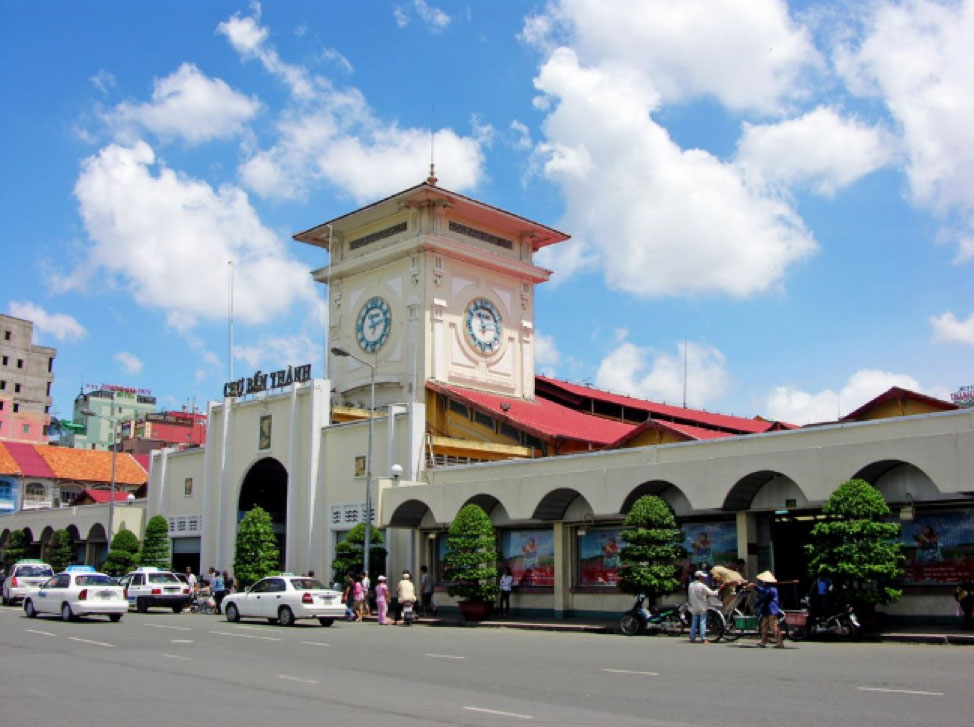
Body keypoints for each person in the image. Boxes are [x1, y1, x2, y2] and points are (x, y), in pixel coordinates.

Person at [751, 570, 785, 648]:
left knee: (774, 626)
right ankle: (763, 641)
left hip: (771, 610)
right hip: (767, 610)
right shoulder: (768, 588)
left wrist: (755, 605)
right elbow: (762, 591)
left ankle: (780, 643)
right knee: (764, 625)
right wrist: (755, 587)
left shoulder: (771, 589)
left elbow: (763, 598)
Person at [687, 570, 719, 644]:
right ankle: (703, 638)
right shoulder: (701, 586)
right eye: (703, 577)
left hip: (694, 605)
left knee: (694, 621)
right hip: (702, 606)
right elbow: (711, 593)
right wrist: (719, 590)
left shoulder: (691, 585)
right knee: (702, 622)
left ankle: (692, 637)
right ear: (700, 578)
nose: (704, 579)